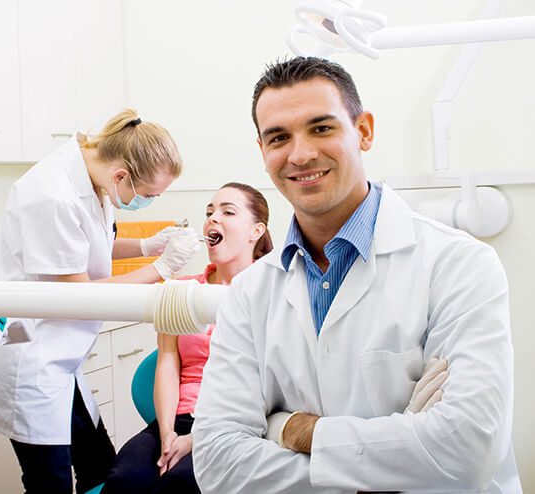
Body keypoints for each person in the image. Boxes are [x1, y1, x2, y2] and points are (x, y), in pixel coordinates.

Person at [192, 57, 521, 493]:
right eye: (279, 137)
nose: (301, 153)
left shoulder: (459, 265)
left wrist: (294, 430)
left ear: (363, 131)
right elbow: (218, 463)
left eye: (321, 128)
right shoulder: (250, 293)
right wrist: (398, 448)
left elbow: (467, 449)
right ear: (262, 151)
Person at [0, 108, 201, 494]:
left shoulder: (95, 177)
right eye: (148, 196)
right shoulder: (52, 195)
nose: (149, 201)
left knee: (99, 466)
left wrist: (146, 246)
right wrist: (162, 268)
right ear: (122, 177)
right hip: (34, 360)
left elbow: (93, 245)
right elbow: (81, 295)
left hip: (64, 360)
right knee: (52, 483)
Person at [101, 182, 274, 494]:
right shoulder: (181, 290)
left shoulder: (271, 295)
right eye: (209, 212)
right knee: (124, 482)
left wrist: (197, 440)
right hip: (177, 419)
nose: (212, 219)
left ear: (256, 231)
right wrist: (167, 433)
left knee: (179, 484)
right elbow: (167, 362)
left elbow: (271, 386)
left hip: (233, 426)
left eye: (227, 212)